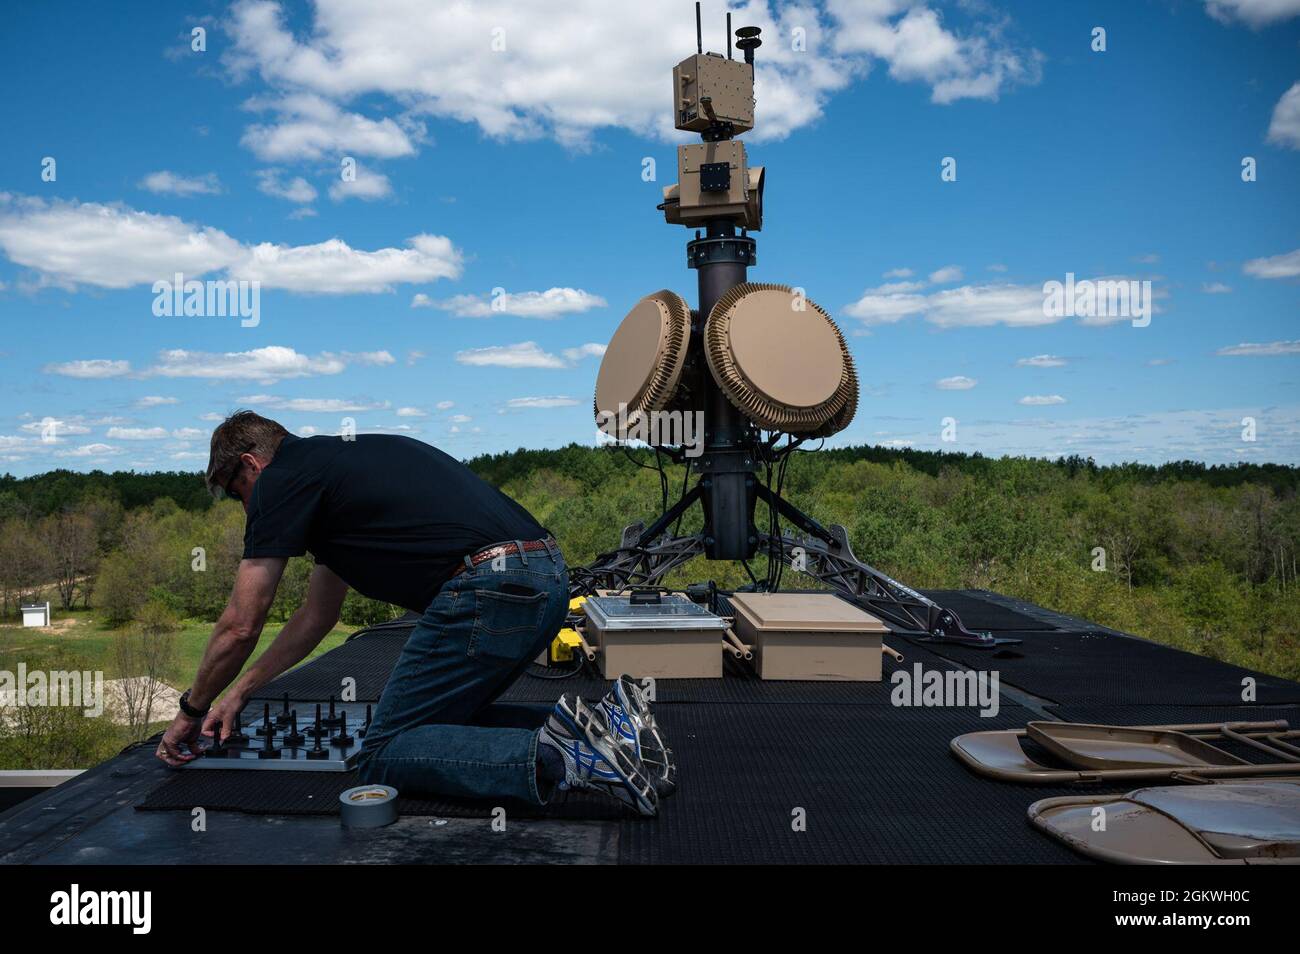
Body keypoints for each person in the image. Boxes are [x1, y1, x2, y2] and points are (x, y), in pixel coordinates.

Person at [155, 410, 674, 816]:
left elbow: (241, 623)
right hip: (545, 578)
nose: (244, 508)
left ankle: (567, 759)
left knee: (381, 751)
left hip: (489, 587)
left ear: (250, 464)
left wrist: (192, 710)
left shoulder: (279, 482)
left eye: (235, 494)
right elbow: (317, 616)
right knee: (447, 721)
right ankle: (613, 728)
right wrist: (240, 692)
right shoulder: (334, 475)